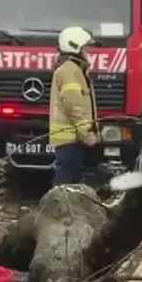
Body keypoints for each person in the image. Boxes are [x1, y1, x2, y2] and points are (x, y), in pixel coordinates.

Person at [48, 26, 99, 185]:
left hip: (71, 135)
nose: (87, 51)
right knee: (66, 177)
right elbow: (74, 106)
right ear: (76, 48)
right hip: (68, 136)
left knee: (74, 177)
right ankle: (57, 207)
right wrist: (85, 132)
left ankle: (70, 208)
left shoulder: (74, 68)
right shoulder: (70, 70)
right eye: (85, 47)